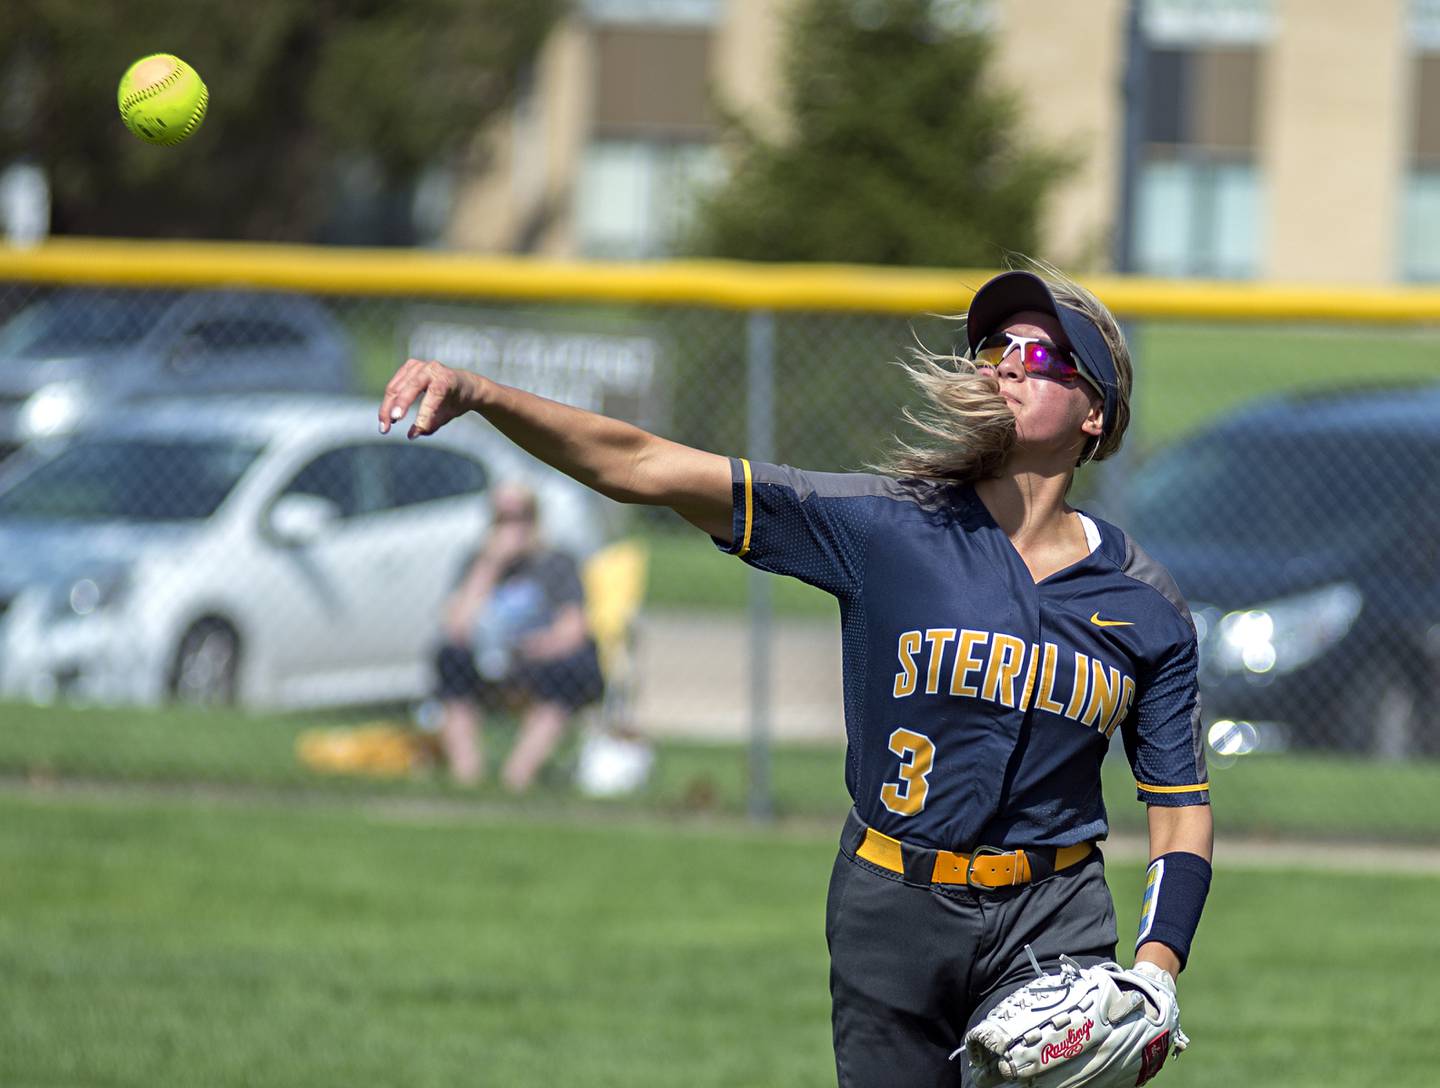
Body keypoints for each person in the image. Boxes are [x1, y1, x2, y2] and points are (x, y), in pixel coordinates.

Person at [379, 260, 1212, 1087]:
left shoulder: (1143, 604)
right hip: (893, 909)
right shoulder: (888, 529)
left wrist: (1157, 969)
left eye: (1040, 355)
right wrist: (484, 395)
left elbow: (1179, 809)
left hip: (1053, 921)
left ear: (1095, 412)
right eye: (995, 348)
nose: (1006, 366)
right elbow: (640, 466)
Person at [432, 480, 604, 791]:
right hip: (488, 659)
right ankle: (467, 778)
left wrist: (532, 646)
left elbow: (573, 628)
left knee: (568, 672)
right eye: (502, 518)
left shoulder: (556, 563)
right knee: (449, 658)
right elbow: (456, 627)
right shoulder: (476, 562)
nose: (512, 528)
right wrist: (491, 565)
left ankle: (517, 778)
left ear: (535, 518)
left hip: (540, 659)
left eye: (521, 516)